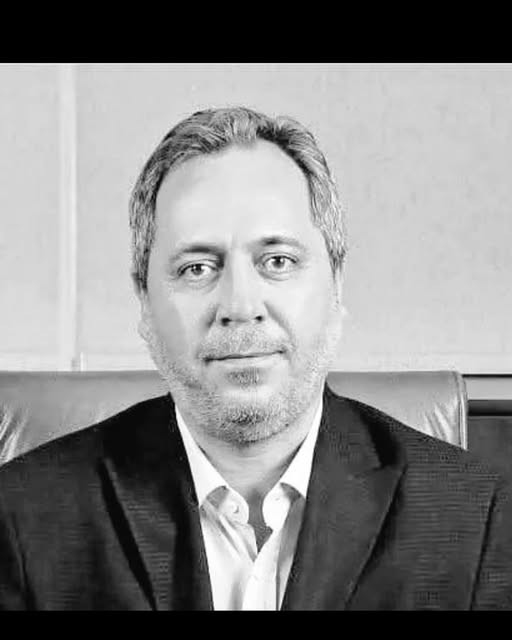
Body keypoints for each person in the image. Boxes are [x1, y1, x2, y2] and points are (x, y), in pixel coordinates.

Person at [0, 106, 511, 610]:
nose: (240, 306)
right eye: (198, 268)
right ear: (144, 301)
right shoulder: (23, 518)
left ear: (336, 286)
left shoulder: (477, 520)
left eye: (278, 261)